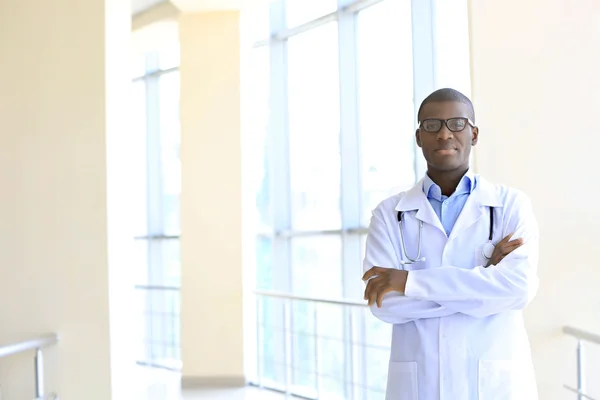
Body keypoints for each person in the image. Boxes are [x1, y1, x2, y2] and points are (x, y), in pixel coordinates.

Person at [362, 88, 539, 400]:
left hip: (493, 384)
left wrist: (408, 281)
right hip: (421, 385)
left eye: (457, 123)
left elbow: (518, 289)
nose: (444, 134)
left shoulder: (511, 205)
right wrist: (483, 282)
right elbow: (384, 304)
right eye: (432, 125)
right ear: (419, 137)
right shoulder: (389, 214)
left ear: (474, 134)